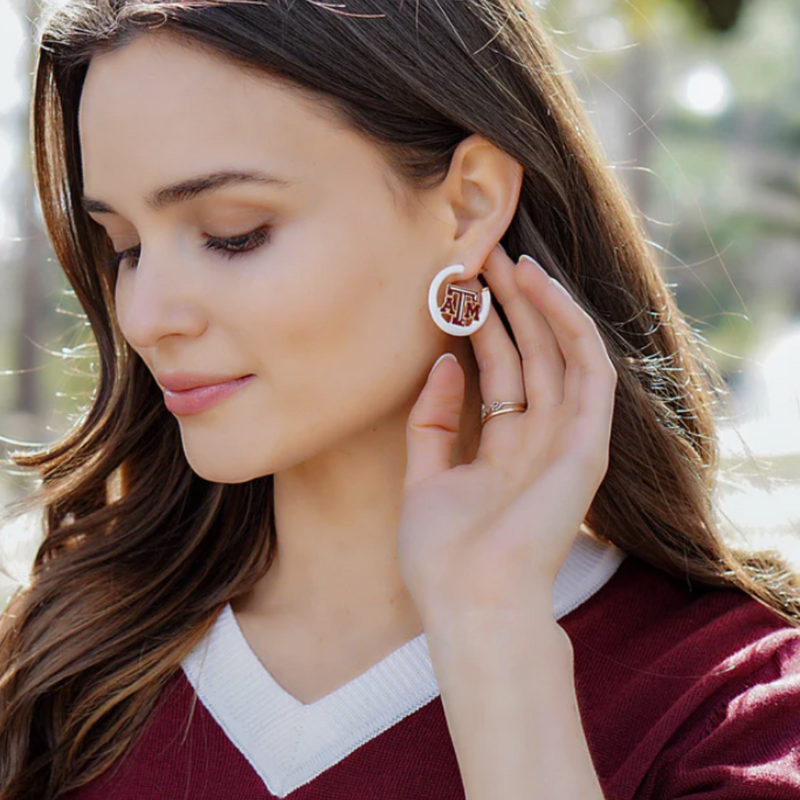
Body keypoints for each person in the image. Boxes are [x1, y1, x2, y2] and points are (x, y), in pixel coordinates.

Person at [1, 0, 800, 798]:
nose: (143, 317)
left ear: (469, 205)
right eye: (127, 248)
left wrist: (495, 641)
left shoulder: (736, 712)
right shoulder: (57, 678)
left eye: (233, 232)